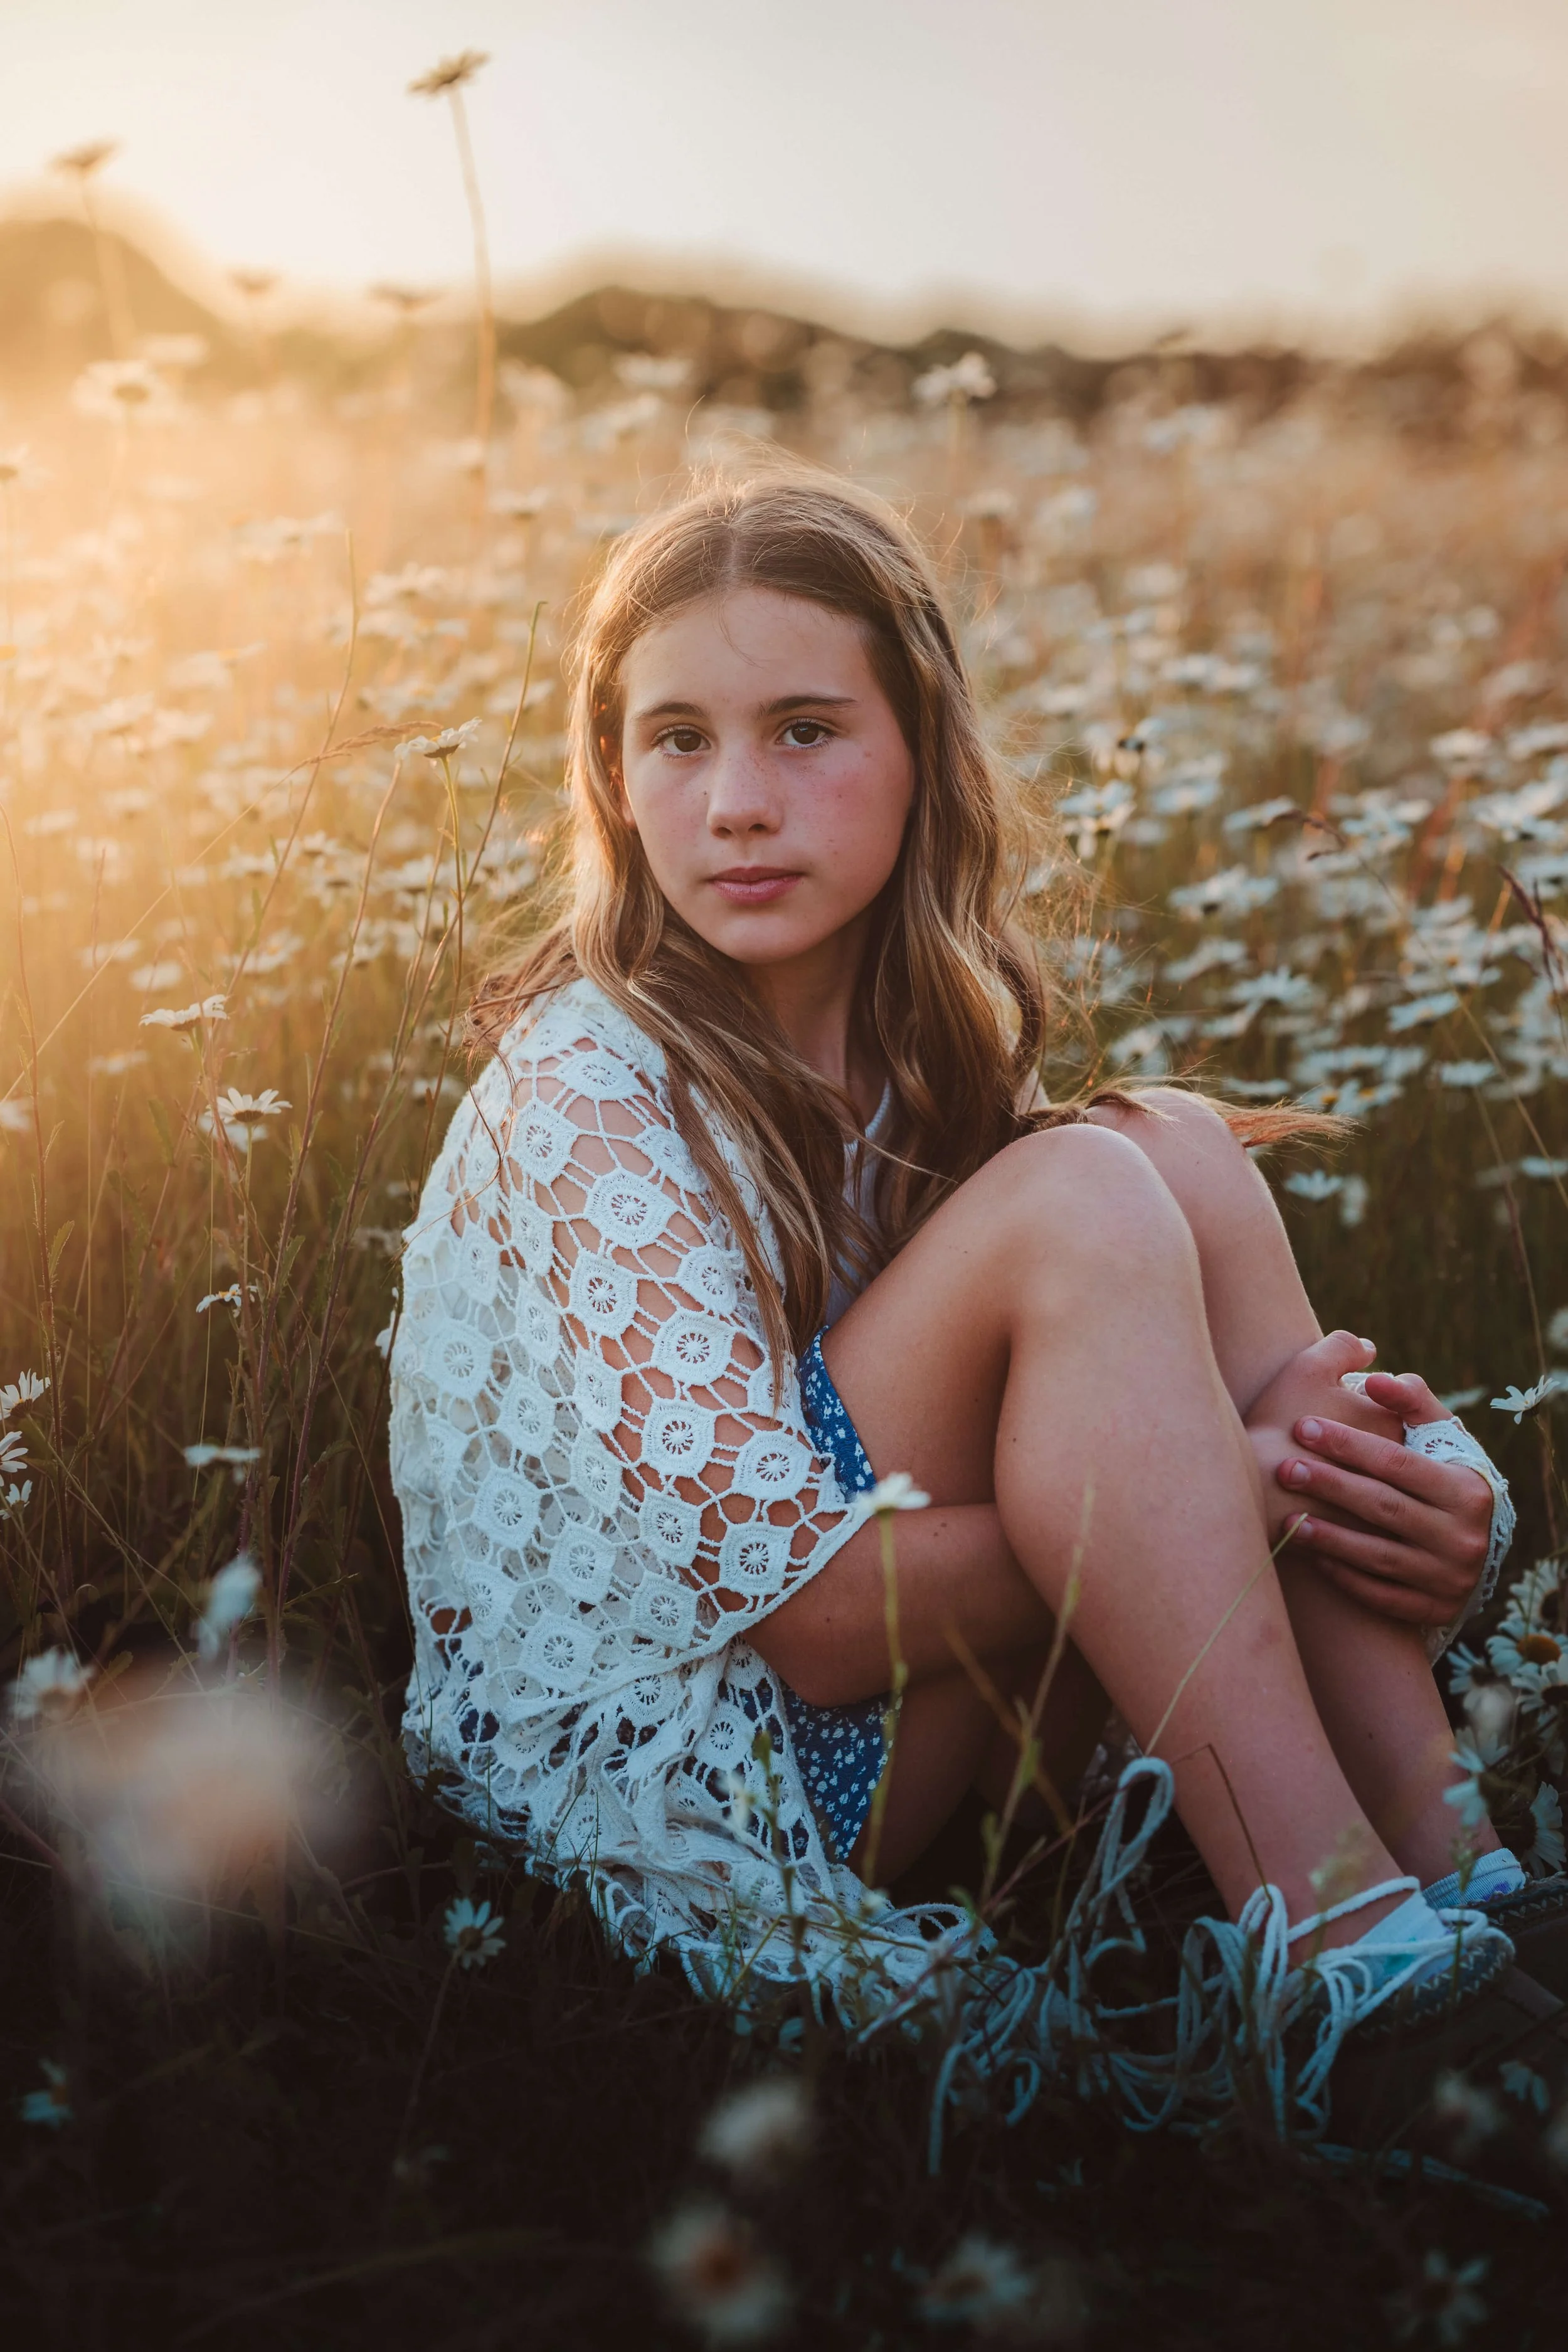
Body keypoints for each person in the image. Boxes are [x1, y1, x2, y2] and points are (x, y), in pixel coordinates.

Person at [388, 467, 1558, 2118]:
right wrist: (1250, 1493)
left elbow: (1179, 1416)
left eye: (805, 729)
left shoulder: (919, 1054)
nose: (736, 799)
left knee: (1165, 1142)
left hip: (924, 1714)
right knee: (1088, 1186)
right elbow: (805, 1626)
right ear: (613, 779)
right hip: (721, 1770)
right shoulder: (589, 1096)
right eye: (676, 738)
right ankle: (1348, 1971)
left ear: (921, 751)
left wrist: (1435, 1507)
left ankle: (1473, 1883)